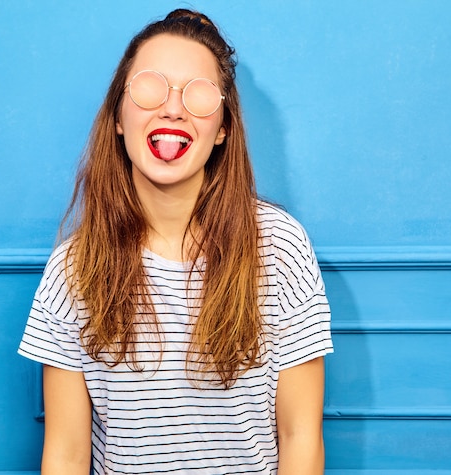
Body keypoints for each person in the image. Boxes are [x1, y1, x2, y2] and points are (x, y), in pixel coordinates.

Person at [19, 8, 333, 475]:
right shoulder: (72, 269)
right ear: (119, 117)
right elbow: (65, 454)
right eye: (150, 86)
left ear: (223, 127)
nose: (172, 107)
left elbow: (300, 437)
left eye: (199, 94)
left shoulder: (280, 246)